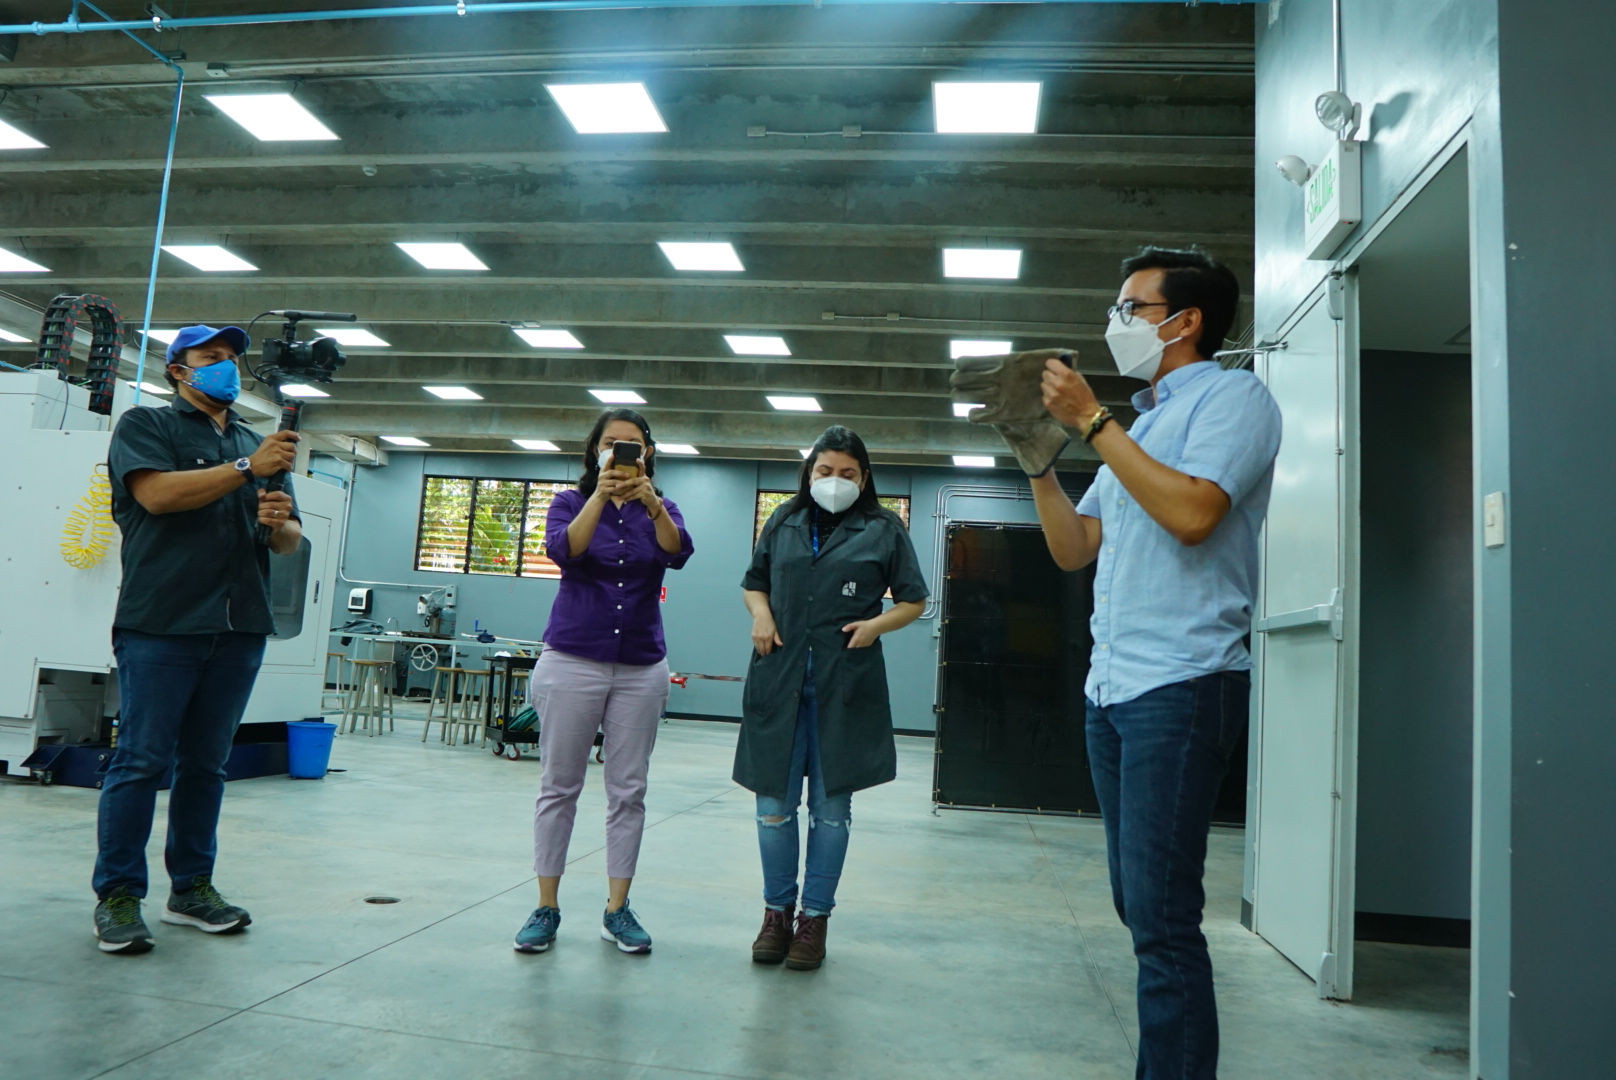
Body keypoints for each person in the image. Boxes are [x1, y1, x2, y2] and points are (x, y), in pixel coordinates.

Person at [1026, 247, 1282, 1079]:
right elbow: (1076, 548)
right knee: (1139, 904)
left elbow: (1195, 514)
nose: (1116, 321)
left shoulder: (1235, 399)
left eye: (1130, 308)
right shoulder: (1140, 430)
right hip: (1114, 690)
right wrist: (1037, 463)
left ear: (1186, 321)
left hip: (1184, 681)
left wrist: (1092, 422)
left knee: (1164, 920)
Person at [93, 324, 304, 954]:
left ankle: (190, 889)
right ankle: (118, 896)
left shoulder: (254, 443)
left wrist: (279, 522)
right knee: (140, 761)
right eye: (212, 357)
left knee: (207, 766)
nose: (227, 367)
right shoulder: (146, 425)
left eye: (233, 358)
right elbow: (156, 496)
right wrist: (245, 470)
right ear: (179, 370)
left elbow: (287, 538)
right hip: (162, 622)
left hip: (239, 625)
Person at [736, 425, 929, 970]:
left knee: (830, 811)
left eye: (847, 473)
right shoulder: (784, 520)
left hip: (844, 683)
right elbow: (754, 582)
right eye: (825, 471)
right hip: (779, 678)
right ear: (809, 473)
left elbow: (914, 600)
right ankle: (776, 914)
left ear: (864, 478)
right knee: (773, 808)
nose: (834, 481)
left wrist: (875, 626)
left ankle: (814, 920)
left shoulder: (884, 528)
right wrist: (762, 614)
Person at [513, 409, 693, 956]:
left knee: (628, 792)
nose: (620, 451)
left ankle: (617, 910)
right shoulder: (569, 501)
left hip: (641, 664)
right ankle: (546, 906)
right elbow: (564, 550)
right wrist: (599, 496)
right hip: (573, 658)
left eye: (631, 444)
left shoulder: (662, 507)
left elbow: (677, 552)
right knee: (558, 786)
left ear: (648, 454)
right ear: (595, 450)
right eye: (611, 442)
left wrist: (650, 502)